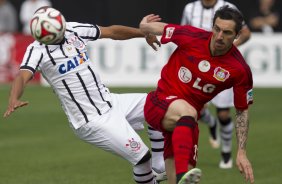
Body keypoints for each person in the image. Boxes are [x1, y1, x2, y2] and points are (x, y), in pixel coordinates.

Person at [3, 6, 165, 184]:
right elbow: (22, 75)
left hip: (110, 101)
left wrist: (144, 33)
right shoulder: (36, 51)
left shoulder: (73, 29)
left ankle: (159, 167)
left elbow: (112, 32)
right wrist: (14, 98)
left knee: (158, 104)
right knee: (142, 158)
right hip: (90, 120)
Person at [140, 5, 254, 184]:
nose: (219, 36)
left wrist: (241, 152)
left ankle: (177, 179)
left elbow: (242, 112)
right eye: (216, 29)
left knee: (186, 178)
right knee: (189, 113)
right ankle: (180, 176)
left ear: (237, 35)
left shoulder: (239, 70)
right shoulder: (191, 35)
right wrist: (146, 29)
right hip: (159, 102)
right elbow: (151, 27)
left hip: (186, 125)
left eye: (227, 32)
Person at [180, 0, 251, 169]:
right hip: (198, 67)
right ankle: (211, 123)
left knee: (224, 114)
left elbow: (246, 33)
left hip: (223, 68)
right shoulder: (190, 8)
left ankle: (226, 152)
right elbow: (184, 33)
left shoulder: (229, 8)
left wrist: (230, 47)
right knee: (192, 110)